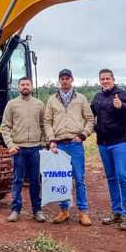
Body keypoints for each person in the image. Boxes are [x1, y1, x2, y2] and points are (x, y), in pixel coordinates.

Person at [44, 69, 95, 226]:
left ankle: (83, 212)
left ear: (72, 80)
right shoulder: (52, 100)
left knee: (79, 179)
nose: (65, 81)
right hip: (59, 145)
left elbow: (90, 119)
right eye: (62, 79)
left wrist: (83, 135)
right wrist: (51, 139)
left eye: (67, 78)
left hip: (75, 144)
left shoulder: (81, 99)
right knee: (62, 180)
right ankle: (64, 211)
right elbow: (47, 121)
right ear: (59, 81)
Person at [90, 68, 126, 231]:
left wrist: (121, 106)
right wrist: (95, 127)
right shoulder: (97, 98)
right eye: (102, 79)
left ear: (113, 79)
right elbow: (89, 115)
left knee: (122, 176)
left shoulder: (123, 95)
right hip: (103, 142)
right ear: (100, 81)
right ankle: (116, 212)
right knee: (111, 178)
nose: (105, 81)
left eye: (108, 79)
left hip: (120, 142)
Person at [1, 76, 46, 223]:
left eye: (27, 84)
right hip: (18, 149)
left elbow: (43, 125)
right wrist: (10, 144)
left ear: (31, 87)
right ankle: (15, 210)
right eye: (22, 85)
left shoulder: (39, 104)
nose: (25, 87)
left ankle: (37, 210)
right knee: (17, 180)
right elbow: (5, 126)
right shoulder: (12, 104)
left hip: (35, 149)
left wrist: (43, 143)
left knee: (35, 180)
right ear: (18, 87)